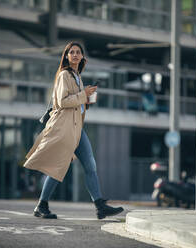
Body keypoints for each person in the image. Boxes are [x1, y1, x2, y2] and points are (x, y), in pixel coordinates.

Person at [23, 41, 124, 219]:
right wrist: (83, 94)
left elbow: (77, 103)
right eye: (72, 52)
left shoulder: (77, 76)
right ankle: (41, 205)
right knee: (59, 166)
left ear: (82, 57)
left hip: (77, 128)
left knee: (90, 165)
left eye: (78, 52)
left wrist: (88, 99)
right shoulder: (64, 75)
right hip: (64, 127)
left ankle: (100, 206)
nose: (75, 55)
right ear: (67, 56)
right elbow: (63, 102)